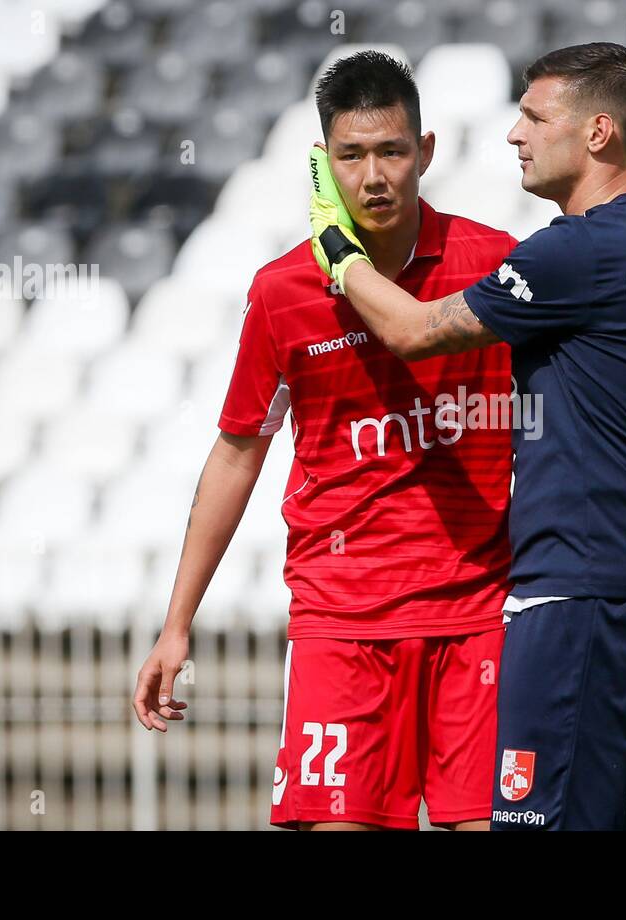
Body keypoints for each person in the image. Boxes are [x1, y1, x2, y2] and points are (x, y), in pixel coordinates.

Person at [309, 42, 626, 830]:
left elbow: (410, 332)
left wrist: (337, 252)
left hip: (578, 593)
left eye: (536, 117)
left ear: (598, 134)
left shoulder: (578, 251)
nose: (516, 134)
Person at [133, 50, 521, 831]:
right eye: (351, 155)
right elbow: (238, 451)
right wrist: (176, 624)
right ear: (323, 163)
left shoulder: (494, 266)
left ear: (427, 153)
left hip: (478, 615)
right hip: (342, 628)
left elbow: (584, 404)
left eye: (392, 151)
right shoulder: (284, 293)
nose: (374, 176)